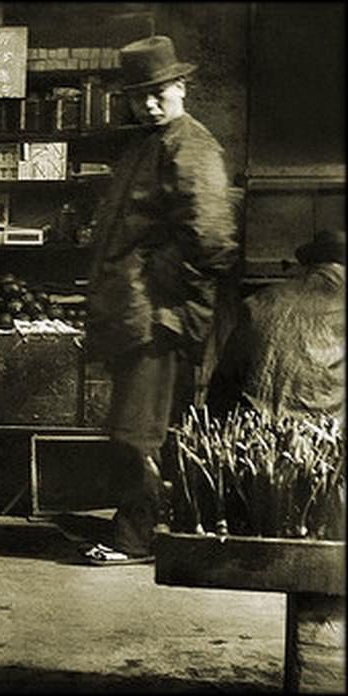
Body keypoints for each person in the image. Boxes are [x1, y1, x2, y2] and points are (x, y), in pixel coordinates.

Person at [81, 36, 239, 565]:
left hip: (158, 314)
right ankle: (151, 526)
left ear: (181, 87)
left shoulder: (189, 145)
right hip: (137, 309)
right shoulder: (149, 143)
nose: (148, 104)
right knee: (142, 427)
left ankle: (136, 538)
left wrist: (167, 286)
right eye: (138, 95)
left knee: (136, 432)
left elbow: (212, 238)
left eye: (158, 93)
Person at [207, 228, 345, 421]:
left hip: (254, 430)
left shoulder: (260, 300)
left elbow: (222, 383)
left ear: (312, 262)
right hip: (320, 435)